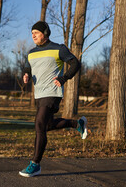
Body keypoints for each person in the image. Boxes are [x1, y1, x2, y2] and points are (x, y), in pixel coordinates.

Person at [19, 21, 88, 178]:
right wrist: (26, 74)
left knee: (39, 124)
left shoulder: (58, 49)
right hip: (39, 94)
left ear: (45, 33)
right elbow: (28, 66)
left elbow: (75, 63)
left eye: (36, 32)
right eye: (32, 33)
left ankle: (35, 164)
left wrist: (64, 78)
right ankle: (77, 123)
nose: (33, 35)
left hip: (53, 92)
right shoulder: (31, 53)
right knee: (47, 125)